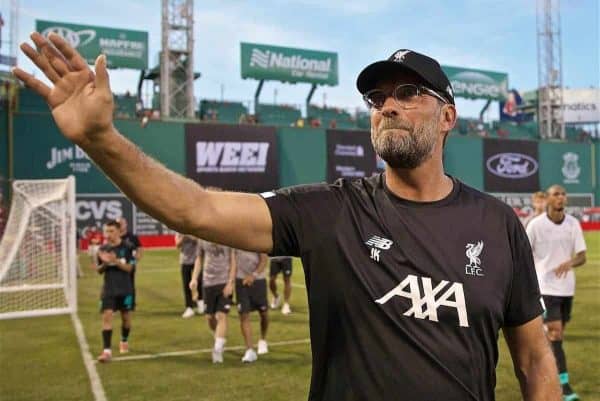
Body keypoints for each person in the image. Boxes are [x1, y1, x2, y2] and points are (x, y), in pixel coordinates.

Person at [15, 34, 561, 400]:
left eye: (408, 93)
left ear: (448, 116)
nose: (387, 105)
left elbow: (535, 359)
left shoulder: (497, 225)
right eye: (376, 98)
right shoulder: (331, 210)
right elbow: (194, 208)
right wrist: (100, 138)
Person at [526, 185, 587, 401]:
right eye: (556, 194)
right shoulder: (535, 225)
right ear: (548, 199)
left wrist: (569, 263)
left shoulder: (573, 224)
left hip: (566, 289)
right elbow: (523, 253)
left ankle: (542, 352)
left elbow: (582, 256)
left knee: (554, 336)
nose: (560, 197)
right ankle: (563, 385)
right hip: (545, 287)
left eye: (563, 194)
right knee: (556, 333)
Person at [91, 220, 136, 362]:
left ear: (118, 231)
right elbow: (98, 270)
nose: (108, 234)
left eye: (111, 231)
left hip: (125, 288)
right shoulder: (102, 249)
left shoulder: (128, 247)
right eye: (106, 231)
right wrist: (104, 263)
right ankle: (106, 351)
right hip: (109, 289)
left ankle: (124, 339)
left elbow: (130, 268)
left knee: (126, 319)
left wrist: (116, 261)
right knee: (107, 316)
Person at [189, 239, 236, 363]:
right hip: (208, 283)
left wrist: (230, 282)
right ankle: (219, 338)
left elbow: (233, 261)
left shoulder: (227, 237)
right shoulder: (202, 238)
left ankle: (217, 349)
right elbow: (199, 259)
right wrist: (194, 278)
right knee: (210, 318)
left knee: (221, 315)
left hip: (224, 282)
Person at [235, 249, 269, 362]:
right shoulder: (234, 238)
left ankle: (263, 340)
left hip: (258, 281)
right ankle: (249, 350)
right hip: (240, 280)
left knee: (264, 314)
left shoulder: (255, 237)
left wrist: (253, 276)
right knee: (244, 315)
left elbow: (264, 260)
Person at [175, 233, 203, 318]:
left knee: (199, 282)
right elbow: (177, 245)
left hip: (196, 260)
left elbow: (199, 241)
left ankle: (200, 302)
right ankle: (189, 307)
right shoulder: (179, 232)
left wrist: (190, 235)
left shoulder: (194, 230)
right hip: (184, 261)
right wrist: (183, 237)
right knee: (186, 284)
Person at [116, 217, 142, 308]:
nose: (120, 225)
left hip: (129, 265)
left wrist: (136, 259)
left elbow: (139, 248)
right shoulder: (115, 237)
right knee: (117, 284)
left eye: (121, 223)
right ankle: (118, 303)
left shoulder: (132, 237)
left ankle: (130, 304)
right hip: (117, 265)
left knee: (130, 284)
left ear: (126, 224)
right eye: (118, 223)